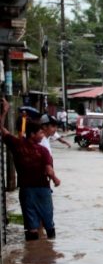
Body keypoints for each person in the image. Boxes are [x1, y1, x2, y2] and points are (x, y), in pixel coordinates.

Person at [0, 98, 61, 240]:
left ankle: (32, 253)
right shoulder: (43, 151)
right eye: (40, 133)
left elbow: (2, 130)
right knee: (48, 223)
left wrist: (3, 113)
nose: (42, 135)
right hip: (42, 189)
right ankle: (49, 251)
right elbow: (48, 170)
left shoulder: (17, 145)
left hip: (26, 190)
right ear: (33, 135)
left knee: (31, 225)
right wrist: (56, 180)